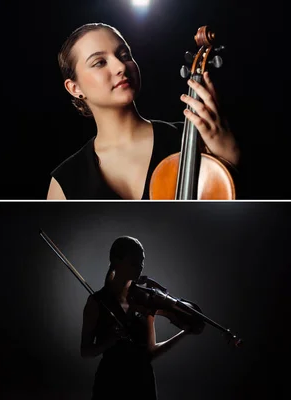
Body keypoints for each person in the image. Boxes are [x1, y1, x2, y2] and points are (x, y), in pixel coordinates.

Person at [47, 23, 241, 200]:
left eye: (124, 55)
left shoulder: (194, 140)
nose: (120, 66)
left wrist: (230, 159)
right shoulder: (66, 181)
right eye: (99, 62)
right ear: (74, 88)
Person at [81, 236, 201, 400]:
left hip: (143, 385)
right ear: (116, 261)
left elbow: (150, 352)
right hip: (110, 384)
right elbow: (85, 351)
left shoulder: (144, 300)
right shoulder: (97, 302)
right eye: (134, 263)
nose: (140, 268)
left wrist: (184, 332)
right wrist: (109, 341)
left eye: (142, 262)